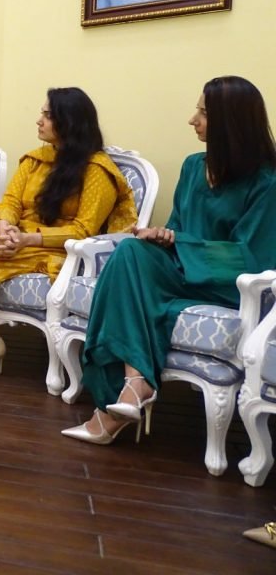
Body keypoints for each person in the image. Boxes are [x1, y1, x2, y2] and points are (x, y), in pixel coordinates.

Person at [63, 76, 276, 444]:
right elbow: (178, 229)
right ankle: (136, 383)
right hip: (182, 268)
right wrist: (161, 235)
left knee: (129, 285)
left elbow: (251, 255)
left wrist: (179, 240)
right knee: (130, 252)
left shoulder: (267, 182)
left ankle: (112, 409)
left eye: (204, 113)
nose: (193, 120)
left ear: (232, 122)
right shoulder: (194, 166)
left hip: (231, 286)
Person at [0, 87, 138, 376]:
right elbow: (11, 201)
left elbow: (83, 230)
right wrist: (5, 228)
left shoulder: (96, 170)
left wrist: (26, 239)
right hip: (15, 236)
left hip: (52, 248)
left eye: (47, 115)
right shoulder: (36, 159)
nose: (38, 121)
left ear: (70, 122)